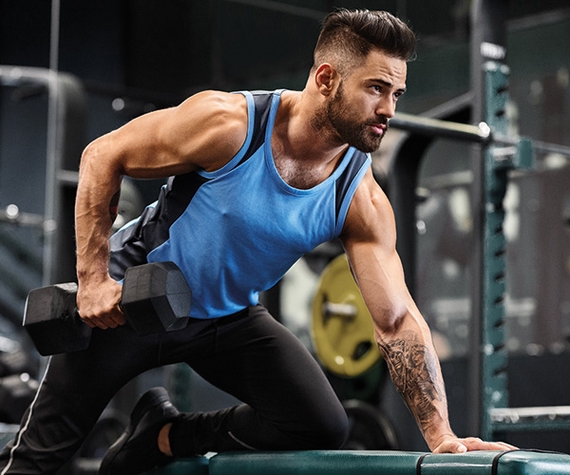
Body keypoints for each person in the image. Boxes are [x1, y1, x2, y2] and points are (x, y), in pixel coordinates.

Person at [0, 8, 515, 475]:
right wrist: (92, 281)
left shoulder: (359, 196)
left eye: (396, 94)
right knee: (37, 461)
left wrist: (440, 434)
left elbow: (397, 320)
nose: (388, 109)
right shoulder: (229, 125)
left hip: (227, 318)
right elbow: (101, 155)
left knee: (320, 425)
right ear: (326, 79)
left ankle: (162, 435)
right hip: (133, 299)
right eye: (376, 88)